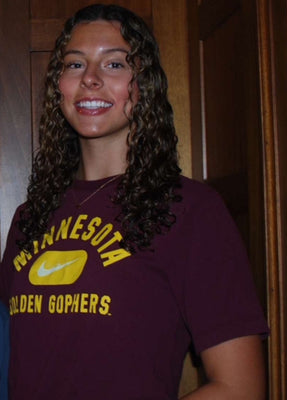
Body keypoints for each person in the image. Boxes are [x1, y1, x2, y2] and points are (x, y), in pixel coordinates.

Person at [0, 4, 268, 399]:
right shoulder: (30, 217)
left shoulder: (190, 210)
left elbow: (240, 388)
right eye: (75, 64)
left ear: (145, 84)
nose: (90, 78)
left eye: (114, 64)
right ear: (59, 86)